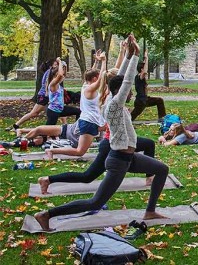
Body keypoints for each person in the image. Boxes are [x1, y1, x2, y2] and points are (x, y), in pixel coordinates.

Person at [34, 34, 169, 231]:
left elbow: (119, 80)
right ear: (120, 91)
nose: (130, 92)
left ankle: (150, 210)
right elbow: (127, 81)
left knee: (162, 169)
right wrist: (135, 56)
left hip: (128, 157)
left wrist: (128, 53)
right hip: (118, 160)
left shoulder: (110, 100)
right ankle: (47, 214)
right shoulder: (113, 105)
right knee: (95, 202)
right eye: (127, 90)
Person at [38, 134, 157, 194]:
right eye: (129, 93)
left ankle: (149, 177)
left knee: (149, 143)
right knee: (87, 177)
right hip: (112, 145)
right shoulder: (114, 103)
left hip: (121, 142)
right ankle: (48, 180)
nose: (131, 95)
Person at [45, 50, 107, 160]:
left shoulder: (85, 85)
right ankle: (51, 150)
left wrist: (96, 61)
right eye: (96, 77)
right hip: (88, 121)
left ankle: (108, 148)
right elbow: (102, 77)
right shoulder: (89, 89)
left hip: (90, 121)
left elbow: (92, 74)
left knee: (108, 126)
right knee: (80, 151)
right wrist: (103, 61)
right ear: (94, 79)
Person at [7, 59, 59, 131]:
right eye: (56, 64)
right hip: (44, 96)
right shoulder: (49, 72)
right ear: (51, 66)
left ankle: (65, 127)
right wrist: (60, 62)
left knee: (58, 109)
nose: (57, 66)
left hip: (48, 96)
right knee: (34, 113)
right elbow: (49, 81)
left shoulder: (50, 72)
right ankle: (16, 126)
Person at [130, 48, 166, 121]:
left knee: (159, 100)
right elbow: (145, 70)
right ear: (141, 70)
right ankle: (125, 121)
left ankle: (162, 118)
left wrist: (145, 59)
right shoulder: (140, 76)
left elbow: (144, 68)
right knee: (132, 117)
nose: (146, 70)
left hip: (145, 99)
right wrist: (146, 58)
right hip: (141, 101)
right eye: (144, 69)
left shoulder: (140, 76)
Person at [45, 58, 81, 125]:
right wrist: (59, 62)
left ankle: (76, 129)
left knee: (78, 111)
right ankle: (24, 132)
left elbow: (63, 75)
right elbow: (61, 74)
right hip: (53, 111)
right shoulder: (53, 83)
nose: (62, 73)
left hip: (60, 109)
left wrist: (65, 66)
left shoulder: (58, 83)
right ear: (56, 74)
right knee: (45, 132)